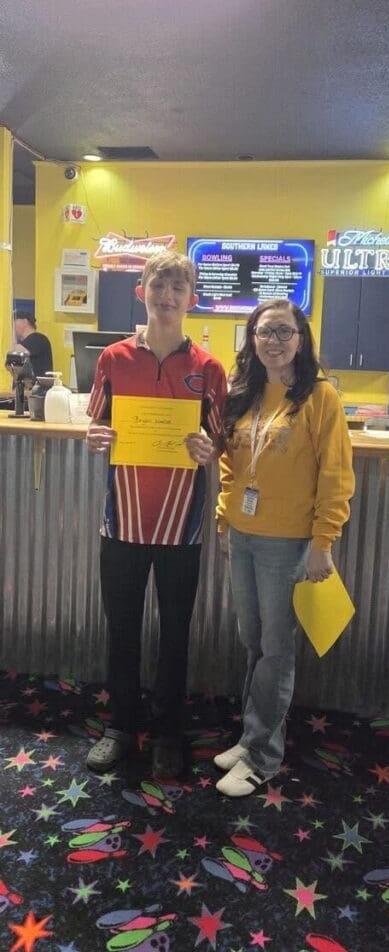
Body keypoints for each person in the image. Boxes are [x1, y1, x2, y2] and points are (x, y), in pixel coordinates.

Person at [85, 251, 227, 778]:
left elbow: (221, 439)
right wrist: (94, 437)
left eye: (178, 288)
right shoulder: (113, 358)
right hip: (121, 521)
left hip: (181, 527)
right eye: (158, 285)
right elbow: (96, 423)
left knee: (175, 634)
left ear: (192, 299)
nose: (167, 296)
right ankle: (120, 727)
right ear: (141, 291)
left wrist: (209, 448)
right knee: (121, 629)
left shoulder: (209, 368)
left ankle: (168, 733)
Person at [214, 298, 355, 797]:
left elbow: (336, 475)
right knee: (253, 641)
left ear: (300, 339)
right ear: (251, 339)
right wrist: (225, 516)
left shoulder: (320, 397)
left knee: (276, 649)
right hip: (243, 536)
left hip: (288, 542)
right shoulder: (244, 392)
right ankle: (251, 736)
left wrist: (323, 542)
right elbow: (231, 463)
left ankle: (263, 757)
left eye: (283, 331)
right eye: (264, 331)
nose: (273, 341)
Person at [12, 311, 53, 378]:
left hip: (39, 384)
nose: (13, 325)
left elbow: (15, 352)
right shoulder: (29, 341)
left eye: (15, 321)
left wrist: (12, 333)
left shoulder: (38, 338)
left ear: (25, 322)